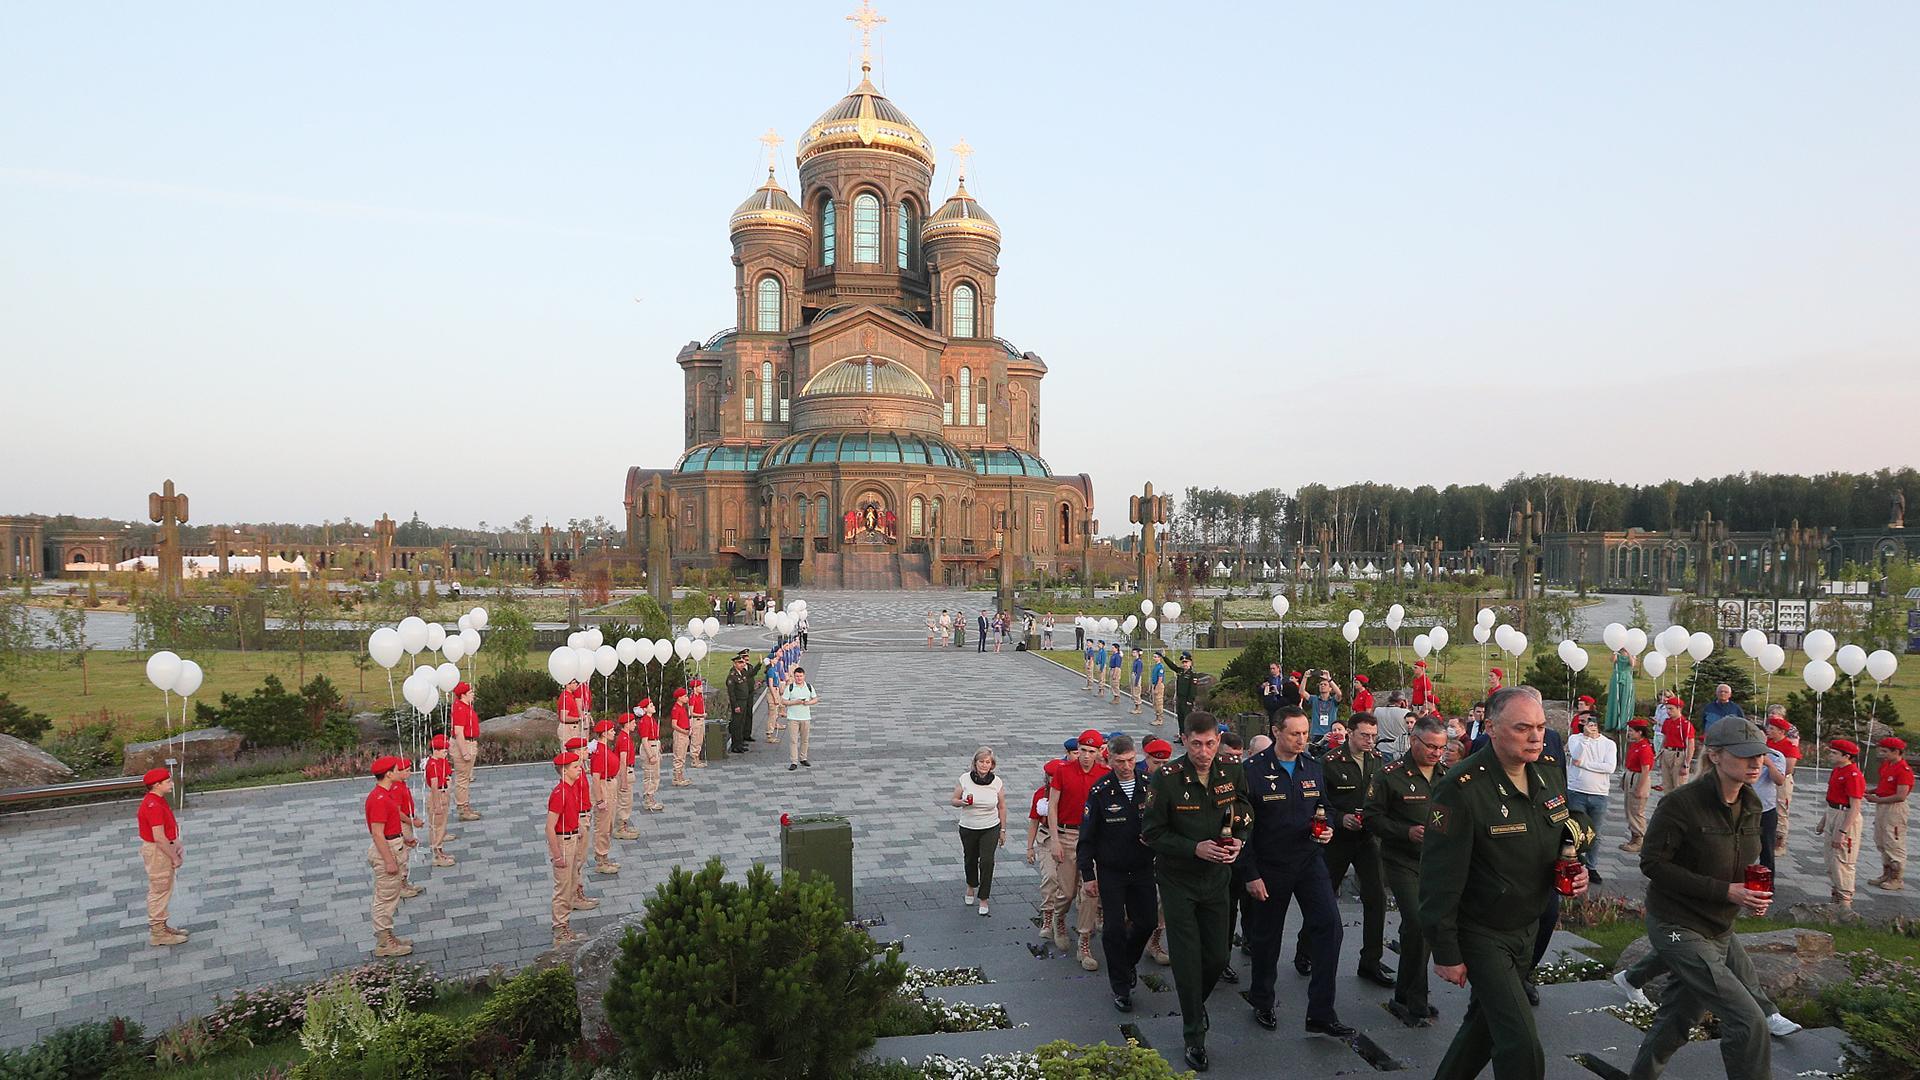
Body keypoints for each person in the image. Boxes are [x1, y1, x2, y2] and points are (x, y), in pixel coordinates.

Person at [1421, 686, 1587, 1080]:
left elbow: (1572, 824)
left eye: (1541, 727)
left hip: (1529, 926)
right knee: (1522, 1047)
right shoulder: (1462, 787)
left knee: (1483, 1028)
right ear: (1491, 728)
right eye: (1523, 727)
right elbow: (1438, 876)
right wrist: (1445, 950)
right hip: (1483, 932)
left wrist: (1574, 860)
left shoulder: (1546, 771)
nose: (1535, 736)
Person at [1627, 716, 1775, 1079]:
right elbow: (1653, 864)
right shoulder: (1681, 804)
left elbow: (1745, 859)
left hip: (1719, 927)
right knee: (1749, 1020)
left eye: (1760, 754)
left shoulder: (1752, 804)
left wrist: (1749, 894)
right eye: (1744, 756)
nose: (1756, 763)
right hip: (1677, 924)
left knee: (1679, 1018)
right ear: (1715, 756)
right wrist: (1726, 891)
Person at [1143, 710, 1252, 1072]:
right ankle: (1194, 1034)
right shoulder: (1167, 779)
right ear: (1184, 740)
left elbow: (1246, 808)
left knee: (1219, 957)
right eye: (1196, 744)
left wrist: (1239, 839)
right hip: (1178, 881)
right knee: (1188, 961)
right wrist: (1194, 847)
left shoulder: (1231, 770)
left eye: (1210, 744)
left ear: (1218, 741)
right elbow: (1152, 833)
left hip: (1217, 877)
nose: (1204, 751)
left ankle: (1194, 1003)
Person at [1241, 707, 1354, 1039]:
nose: (1302, 739)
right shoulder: (1252, 771)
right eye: (1295, 733)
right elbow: (1241, 828)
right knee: (1267, 939)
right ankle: (1262, 1000)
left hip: (1309, 860)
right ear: (1277, 731)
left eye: (1305, 733)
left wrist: (1328, 828)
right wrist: (1250, 874)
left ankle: (1321, 1012)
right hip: (1270, 865)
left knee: (1330, 928)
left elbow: (1326, 807)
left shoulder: (1312, 767)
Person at [1295, 712, 1393, 988]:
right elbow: (1319, 802)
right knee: (1323, 899)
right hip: (1336, 841)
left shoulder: (1377, 761)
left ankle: (1371, 961)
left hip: (1367, 840)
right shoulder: (1329, 762)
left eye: (1373, 736)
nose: (1370, 740)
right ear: (1350, 732)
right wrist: (1340, 819)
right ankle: (1305, 950)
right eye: (1364, 735)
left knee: (1375, 898)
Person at [1370, 716, 1449, 1027]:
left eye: (1441, 748)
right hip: (1400, 860)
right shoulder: (1390, 776)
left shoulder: (1447, 775)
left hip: (1435, 862)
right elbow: (1373, 818)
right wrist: (1406, 832)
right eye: (1430, 746)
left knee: (1420, 928)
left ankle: (1404, 993)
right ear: (1413, 740)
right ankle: (1417, 1001)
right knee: (1418, 923)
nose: (1436, 753)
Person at [1078, 734, 1157, 1012]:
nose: (1126, 766)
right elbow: (1087, 836)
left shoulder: (1150, 786)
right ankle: (1121, 987)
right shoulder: (1100, 791)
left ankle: (1127, 963)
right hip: (1112, 872)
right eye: (1120, 761)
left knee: (1146, 922)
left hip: (1144, 868)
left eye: (1130, 760)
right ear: (1108, 759)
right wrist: (1088, 874)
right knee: (1112, 929)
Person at [1047, 730, 1111, 970]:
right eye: (1082, 751)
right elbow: (1052, 806)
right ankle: (1058, 917)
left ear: (1098, 752)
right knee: (1066, 891)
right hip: (1067, 835)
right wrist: (1054, 839)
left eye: (1091, 752)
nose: (1085, 756)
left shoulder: (1104, 774)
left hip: (1094, 839)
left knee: (1091, 890)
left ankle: (1084, 942)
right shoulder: (1063, 771)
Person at [365, 757, 412, 957]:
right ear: (389, 774)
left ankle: (389, 936)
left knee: (390, 895)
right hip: (387, 849)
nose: (399, 771)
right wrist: (389, 860)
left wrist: (404, 840)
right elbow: (377, 833)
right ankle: (384, 943)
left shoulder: (383, 795)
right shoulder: (379, 799)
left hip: (394, 844)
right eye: (395, 769)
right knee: (385, 897)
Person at [137, 767, 188, 947]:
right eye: (168, 782)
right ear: (156, 785)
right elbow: (158, 837)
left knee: (164, 888)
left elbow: (167, 828)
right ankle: (158, 933)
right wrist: (174, 857)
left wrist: (176, 842)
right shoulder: (153, 805)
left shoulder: (158, 800)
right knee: (160, 889)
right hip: (158, 853)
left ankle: (163, 927)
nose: (172, 784)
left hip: (162, 849)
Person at [953, 747, 1007, 916]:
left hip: (990, 826)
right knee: (970, 858)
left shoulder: (997, 782)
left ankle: (983, 898)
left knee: (987, 861)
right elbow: (953, 800)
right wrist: (962, 802)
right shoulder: (964, 779)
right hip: (968, 826)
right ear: (975, 763)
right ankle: (971, 885)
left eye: (988, 762)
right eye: (981, 762)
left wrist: (1003, 829)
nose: (984, 765)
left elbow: (1002, 806)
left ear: (992, 765)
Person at [1564, 714, 1617, 880]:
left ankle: (1592, 866)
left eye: (1590, 723)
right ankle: (1576, 864)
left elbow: (1609, 767)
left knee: (1596, 832)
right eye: (1584, 723)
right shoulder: (1575, 739)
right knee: (1576, 831)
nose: (1588, 726)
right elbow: (1576, 756)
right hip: (1576, 790)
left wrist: (1586, 765)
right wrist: (1586, 739)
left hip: (1599, 793)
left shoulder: (1608, 744)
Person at [1817, 738, 1867, 912]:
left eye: (1834, 753)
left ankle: (1845, 901)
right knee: (1830, 859)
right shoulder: (1837, 770)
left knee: (1843, 860)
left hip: (1845, 815)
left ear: (1847, 756)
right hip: (1833, 812)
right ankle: (1836, 894)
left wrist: (1842, 831)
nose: (1830, 755)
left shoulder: (1853, 774)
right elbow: (1832, 799)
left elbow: (1855, 807)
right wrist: (1824, 821)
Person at [546, 751, 584, 945]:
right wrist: (557, 855)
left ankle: (565, 925)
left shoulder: (570, 788)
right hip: (563, 843)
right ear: (564, 770)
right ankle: (559, 930)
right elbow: (549, 827)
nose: (580, 770)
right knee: (562, 888)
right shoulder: (559, 793)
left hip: (571, 839)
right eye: (576, 767)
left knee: (570, 884)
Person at [1867, 736, 1912, 892]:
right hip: (1883, 805)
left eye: (1885, 751)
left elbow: (1901, 795)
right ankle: (1886, 873)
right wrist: (1872, 792)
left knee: (1894, 841)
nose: (1882, 754)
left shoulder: (1903, 769)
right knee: (1881, 839)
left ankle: (1896, 877)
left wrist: (1877, 799)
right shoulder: (1887, 765)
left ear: (1896, 752)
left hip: (1894, 808)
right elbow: (1884, 786)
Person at [588, 720, 621, 877]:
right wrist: (600, 800)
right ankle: (600, 860)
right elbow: (595, 778)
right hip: (604, 787)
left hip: (610, 784)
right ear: (604, 733)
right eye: (612, 730)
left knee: (609, 824)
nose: (614, 732)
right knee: (602, 825)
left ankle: (605, 857)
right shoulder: (600, 752)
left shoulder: (604, 748)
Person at [1766, 709, 1802, 854]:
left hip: (1781, 781)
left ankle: (1780, 843)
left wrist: (1774, 773)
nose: (1768, 730)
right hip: (1766, 779)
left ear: (1781, 731)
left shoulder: (1789, 746)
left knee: (1781, 810)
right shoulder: (1767, 742)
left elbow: (1788, 769)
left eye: (1772, 728)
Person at [1752, 729, 1787, 875]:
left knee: (1767, 849)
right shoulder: (1740, 754)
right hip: (1744, 808)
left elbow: (1779, 780)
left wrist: (1769, 764)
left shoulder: (1776, 756)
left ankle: (1768, 884)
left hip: (1766, 808)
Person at [389, 758, 424, 900]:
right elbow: (397, 811)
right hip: (402, 823)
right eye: (407, 770)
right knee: (402, 854)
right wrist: (412, 821)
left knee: (406, 853)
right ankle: (400, 886)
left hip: (407, 820)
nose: (410, 773)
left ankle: (405, 882)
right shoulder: (397, 787)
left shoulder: (402, 785)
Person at [1620, 718, 1657, 852]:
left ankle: (1639, 838)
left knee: (1636, 810)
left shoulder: (1644, 748)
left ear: (1640, 732)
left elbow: (1645, 769)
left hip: (1638, 777)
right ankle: (1634, 837)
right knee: (1629, 809)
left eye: (1631, 731)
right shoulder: (1635, 745)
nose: (1629, 733)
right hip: (1631, 776)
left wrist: (1640, 788)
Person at [450, 682, 481, 820]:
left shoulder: (464, 706)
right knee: (462, 778)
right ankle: (463, 809)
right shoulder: (461, 709)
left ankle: (465, 806)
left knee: (466, 777)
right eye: (470, 693)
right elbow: (458, 732)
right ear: (463, 695)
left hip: (469, 742)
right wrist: (464, 752)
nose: (473, 694)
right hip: (465, 743)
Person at [425, 735, 455, 867]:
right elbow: (434, 785)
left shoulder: (440, 761)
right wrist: (437, 805)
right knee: (437, 827)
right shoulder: (432, 765)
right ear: (435, 750)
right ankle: (437, 854)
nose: (446, 753)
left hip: (443, 793)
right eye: (444, 750)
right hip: (437, 795)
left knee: (441, 826)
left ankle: (440, 851)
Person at [783, 666, 818, 770]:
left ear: (804, 676)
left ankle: (803, 758)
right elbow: (783, 701)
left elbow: (815, 699)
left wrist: (808, 702)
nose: (799, 678)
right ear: (794, 676)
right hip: (793, 718)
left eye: (801, 676)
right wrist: (795, 702)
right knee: (793, 740)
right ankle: (794, 761)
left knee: (805, 740)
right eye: (797, 676)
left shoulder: (809, 686)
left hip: (805, 717)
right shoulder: (790, 687)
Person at [612, 711, 640, 840]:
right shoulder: (623, 739)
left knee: (626, 801)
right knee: (624, 801)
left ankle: (623, 825)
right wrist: (623, 781)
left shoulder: (625, 737)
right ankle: (620, 828)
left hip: (628, 771)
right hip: (625, 772)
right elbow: (622, 760)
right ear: (626, 724)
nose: (635, 724)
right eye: (633, 722)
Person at [1659, 701, 1696, 793]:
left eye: (1671, 709)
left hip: (1679, 754)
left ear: (1679, 709)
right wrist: (1660, 753)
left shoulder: (1685, 724)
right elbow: (1665, 738)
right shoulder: (1667, 722)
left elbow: (1690, 745)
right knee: (1666, 784)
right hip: (1667, 752)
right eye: (1667, 709)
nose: (1668, 711)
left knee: (1678, 784)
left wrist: (1686, 764)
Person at [635, 698, 665, 812]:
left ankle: (651, 797)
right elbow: (644, 740)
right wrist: (651, 755)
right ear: (645, 709)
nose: (653, 706)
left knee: (655, 775)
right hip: (650, 747)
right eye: (650, 705)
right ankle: (648, 799)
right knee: (651, 775)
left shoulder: (650, 719)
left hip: (654, 745)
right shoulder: (645, 721)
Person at [725, 651, 756, 753]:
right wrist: (735, 705)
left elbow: (751, 674)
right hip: (738, 702)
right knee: (736, 724)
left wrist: (760, 665)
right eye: (740, 663)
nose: (742, 664)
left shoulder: (742, 673)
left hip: (744, 701)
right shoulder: (732, 676)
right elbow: (731, 693)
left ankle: (740, 743)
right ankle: (735, 745)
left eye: (743, 662)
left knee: (742, 723)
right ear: (735, 664)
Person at [1604, 647, 1636, 735]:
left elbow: (1632, 664)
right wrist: (1616, 650)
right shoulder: (1617, 653)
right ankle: (1613, 721)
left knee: (1625, 698)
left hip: (1626, 678)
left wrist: (1629, 652)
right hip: (1617, 676)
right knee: (1615, 698)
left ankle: (1623, 722)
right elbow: (1612, 660)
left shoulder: (1632, 653)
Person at [1374, 691, 1411, 760]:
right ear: (1402, 702)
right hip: (1400, 750)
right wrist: (1406, 708)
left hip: (1382, 748)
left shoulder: (1377, 711)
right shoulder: (1405, 713)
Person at [1306, 672, 1342, 740]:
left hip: (1330, 732)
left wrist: (1329, 679)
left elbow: (1339, 694)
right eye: (1321, 684)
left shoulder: (1333, 700)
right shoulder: (1314, 699)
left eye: (1325, 684)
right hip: (1316, 733)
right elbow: (1301, 692)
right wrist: (1305, 677)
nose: (1322, 686)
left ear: (1330, 689)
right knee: (1315, 749)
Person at [669, 688, 694, 786]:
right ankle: (677, 778)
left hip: (685, 733)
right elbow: (674, 724)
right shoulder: (676, 709)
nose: (686, 698)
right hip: (680, 734)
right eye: (684, 696)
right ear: (679, 698)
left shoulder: (682, 707)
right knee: (679, 756)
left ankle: (681, 776)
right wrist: (684, 731)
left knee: (682, 756)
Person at [1172, 652, 1197, 725]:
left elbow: (1193, 689)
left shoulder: (1192, 674)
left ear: (1190, 663)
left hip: (1187, 700)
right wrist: (1164, 657)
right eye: (1183, 662)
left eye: (1186, 662)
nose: (1184, 664)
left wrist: (1190, 700)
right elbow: (1172, 666)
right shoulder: (1181, 671)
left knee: (1187, 719)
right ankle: (1181, 734)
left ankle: (1187, 735)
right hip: (1180, 699)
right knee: (1180, 717)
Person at [1149, 651, 1168, 725]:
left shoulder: (1160, 667)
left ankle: (1160, 719)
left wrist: (1157, 688)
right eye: (1153, 657)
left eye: (1155, 657)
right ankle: (1157, 717)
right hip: (1155, 684)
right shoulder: (1156, 666)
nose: (1154, 658)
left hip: (1158, 685)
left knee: (1159, 702)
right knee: (1155, 702)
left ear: (1159, 658)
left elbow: (1160, 678)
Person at [1130, 648, 1147, 714]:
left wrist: (1136, 682)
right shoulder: (1135, 661)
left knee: (1137, 692)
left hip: (1137, 676)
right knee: (1134, 692)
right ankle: (1136, 706)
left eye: (1134, 652)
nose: (1133, 653)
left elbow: (1139, 672)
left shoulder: (1139, 662)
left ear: (1138, 653)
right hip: (1134, 675)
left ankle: (1138, 708)